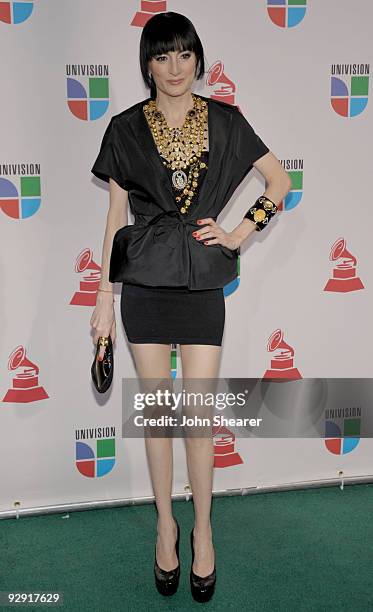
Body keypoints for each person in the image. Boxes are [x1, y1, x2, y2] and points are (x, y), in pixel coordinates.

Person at [90, 11, 291, 603]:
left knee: (197, 421)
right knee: (158, 418)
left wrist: (237, 234)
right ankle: (165, 525)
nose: (174, 69)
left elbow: (277, 182)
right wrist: (104, 297)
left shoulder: (227, 122)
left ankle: (203, 530)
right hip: (145, 284)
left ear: (198, 61)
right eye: (161, 56)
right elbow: (113, 219)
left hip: (203, 283)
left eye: (184, 55)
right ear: (146, 65)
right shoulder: (125, 128)